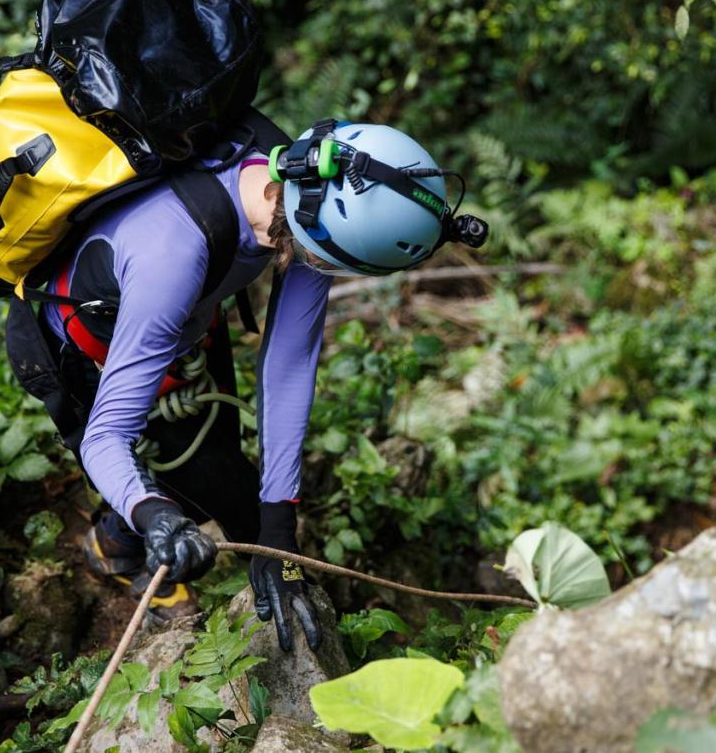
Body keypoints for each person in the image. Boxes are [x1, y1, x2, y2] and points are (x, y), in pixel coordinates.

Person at [38, 118, 486, 650]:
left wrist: (278, 532)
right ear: (316, 235)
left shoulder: (305, 182)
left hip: (189, 328)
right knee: (204, 485)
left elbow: (290, 361)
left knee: (222, 474)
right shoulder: (172, 257)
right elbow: (106, 437)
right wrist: (154, 513)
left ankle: (126, 529)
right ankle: (115, 548)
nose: (325, 272)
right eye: (334, 265)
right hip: (84, 353)